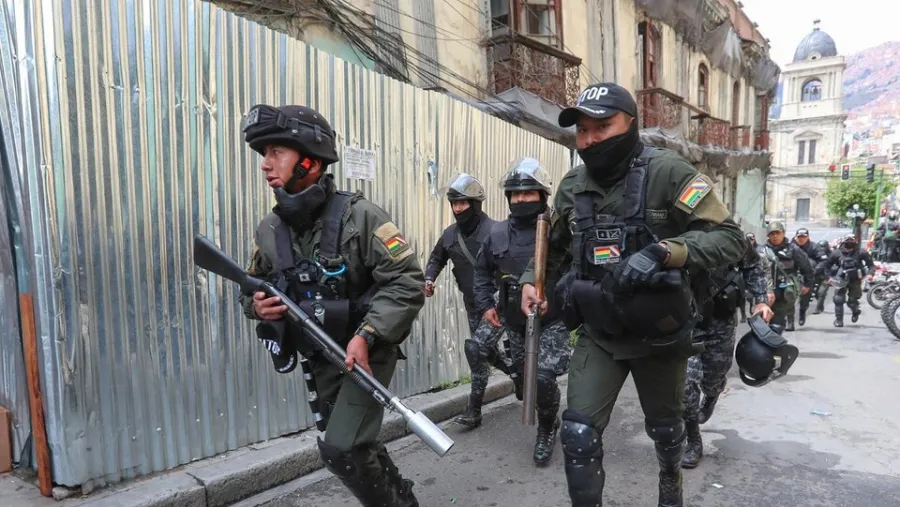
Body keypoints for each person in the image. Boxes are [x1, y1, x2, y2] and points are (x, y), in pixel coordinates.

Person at [518, 83, 745, 507]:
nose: (590, 140)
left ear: (631, 124)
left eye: (602, 127)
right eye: (582, 131)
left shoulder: (668, 172)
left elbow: (729, 238)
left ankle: (670, 480)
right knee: (578, 434)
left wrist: (666, 252)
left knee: (667, 431)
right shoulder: (572, 185)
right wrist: (533, 280)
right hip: (600, 330)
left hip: (659, 333)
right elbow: (553, 249)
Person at [238, 104, 425, 506]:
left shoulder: (362, 217)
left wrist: (367, 334)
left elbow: (407, 281)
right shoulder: (270, 229)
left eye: (276, 152)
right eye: (264, 154)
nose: (265, 164)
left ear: (310, 159)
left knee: (342, 450)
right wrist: (257, 305)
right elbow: (251, 286)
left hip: (366, 352)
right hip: (320, 354)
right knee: (356, 442)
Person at [472, 158, 572, 465]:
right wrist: (486, 305)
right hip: (514, 320)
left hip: (552, 319)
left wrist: (559, 295)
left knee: (542, 380)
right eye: (515, 194)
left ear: (542, 195)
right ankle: (518, 377)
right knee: (524, 383)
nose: (521, 199)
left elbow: (577, 271)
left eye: (528, 193)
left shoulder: (558, 232)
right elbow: (482, 271)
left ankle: (547, 427)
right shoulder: (498, 233)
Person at [423, 173, 514, 428]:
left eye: (463, 203)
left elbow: (512, 266)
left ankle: (474, 410)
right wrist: (429, 278)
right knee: (484, 353)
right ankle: (517, 374)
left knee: (475, 350)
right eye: (454, 203)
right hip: (473, 304)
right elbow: (437, 258)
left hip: (498, 303)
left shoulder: (495, 231)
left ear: (475, 204)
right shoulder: (450, 235)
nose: (457, 208)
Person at [682, 239, 774, 469]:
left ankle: (712, 394)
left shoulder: (730, 236)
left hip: (720, 319)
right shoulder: (674, 230)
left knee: (713, 377)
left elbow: (753, 265)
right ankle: (693, 440)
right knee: (686, 384)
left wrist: (761, 300)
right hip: (684, 321)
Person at [763, 222, 814, 330]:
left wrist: (807, 284)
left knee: (777, 323)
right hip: (765, 291)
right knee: (762, 323)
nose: (775, 236)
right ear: (768, 235)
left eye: (778, 233)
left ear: (783, 233)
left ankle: (782, 329)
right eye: (772, 233)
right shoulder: (762, 251)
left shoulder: (793, 249)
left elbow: (807, 267)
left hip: (784, 291)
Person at [825, 234, 875, 327]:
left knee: (852, 301)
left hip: (855, 279)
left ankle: (855, 311)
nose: (849, 242)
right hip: (841, 278)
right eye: (847, 241)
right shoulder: (837, 253)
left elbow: (871, 265)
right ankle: (839, 320)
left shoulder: (861, 252)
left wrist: (870, 274)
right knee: (838, 299)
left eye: (851, 240)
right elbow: (827, 265)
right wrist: (829, 277)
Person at [790, 228, 821, 326]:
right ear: (796, 237)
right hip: (792, 275)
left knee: (805, 298)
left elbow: (823, 260)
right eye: (799, 237)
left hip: (807, 276)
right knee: (789, 298)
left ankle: (802, 313)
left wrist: (815, 270)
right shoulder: (790, 247)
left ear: (807, 237)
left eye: (803, 237)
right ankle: (790, 321)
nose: (801, 239)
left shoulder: (814, 247)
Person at [812, 238, 833, 315]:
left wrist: (832, 276)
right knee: (815, 293)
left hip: (826, 276)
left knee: (821, 292)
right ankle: (821, 304)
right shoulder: (815, 254)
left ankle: (817, 308)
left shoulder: (832, 255)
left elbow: (835, 265)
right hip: (817, 275)